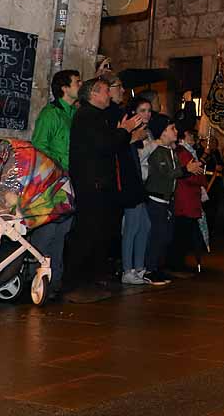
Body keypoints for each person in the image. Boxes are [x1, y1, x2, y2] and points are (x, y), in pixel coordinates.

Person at [64, 78, 142, 301]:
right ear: (93, 94)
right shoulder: (87, 115)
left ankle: (89, 281)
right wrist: (125, 131)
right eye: (107, 91)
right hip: (92, 184)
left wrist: (121, 132)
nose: (110, 95)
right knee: (86, 234)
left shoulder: (96, 116)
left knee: (98, 235)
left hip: (100, 185)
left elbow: (107, 143)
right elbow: (104, 145)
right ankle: (73, 284)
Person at [28, 69, 79, 297]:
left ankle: (54, 281)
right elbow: (39, 146)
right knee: (47, 232)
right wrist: (58, 167)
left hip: (70, 180)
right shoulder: (51, 114)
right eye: (77, 82)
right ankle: (37, 280)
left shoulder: (74, 114)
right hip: (53, 180)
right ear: (64, 88)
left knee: (62, 232)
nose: (80, 85)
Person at [142, 114, 202, 282]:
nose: (176, 131)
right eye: (172, 128)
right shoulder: (158, 152)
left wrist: (187, 170)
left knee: (166, 236)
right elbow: (166, 173)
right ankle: (150, 269)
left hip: (167, 200)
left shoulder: (170, 151)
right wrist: (186, 170)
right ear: (162, 133)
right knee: (157, 235)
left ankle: (158, 267)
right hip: (156, 199)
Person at [119, 97, 153, 285]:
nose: (146, 114)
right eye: (142, 110)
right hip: (131, 183)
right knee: (132, 227)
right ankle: (127, 269)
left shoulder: (149, 132)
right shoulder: (131, 132)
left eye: (148, 110)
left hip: (141, 184)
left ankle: (139, 268)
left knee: (145, 225)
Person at [170, 130, 209, 273]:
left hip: (188, 199)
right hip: (185, 199)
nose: (193, 138)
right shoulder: (183, 152)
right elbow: (192, 175)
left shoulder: (185, 151)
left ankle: (179, 263)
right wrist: (201, 179)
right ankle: (177, 264)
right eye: (190, 135)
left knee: (184, 233)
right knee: (182, 234)